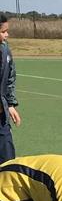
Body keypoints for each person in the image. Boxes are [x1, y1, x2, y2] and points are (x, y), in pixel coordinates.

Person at [0, 15, 21, 164]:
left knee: (7, 160)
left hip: (2, 116)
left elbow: (9, 79)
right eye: (3, 31)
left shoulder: (5, 50)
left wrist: (10, 104)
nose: (7, 35)